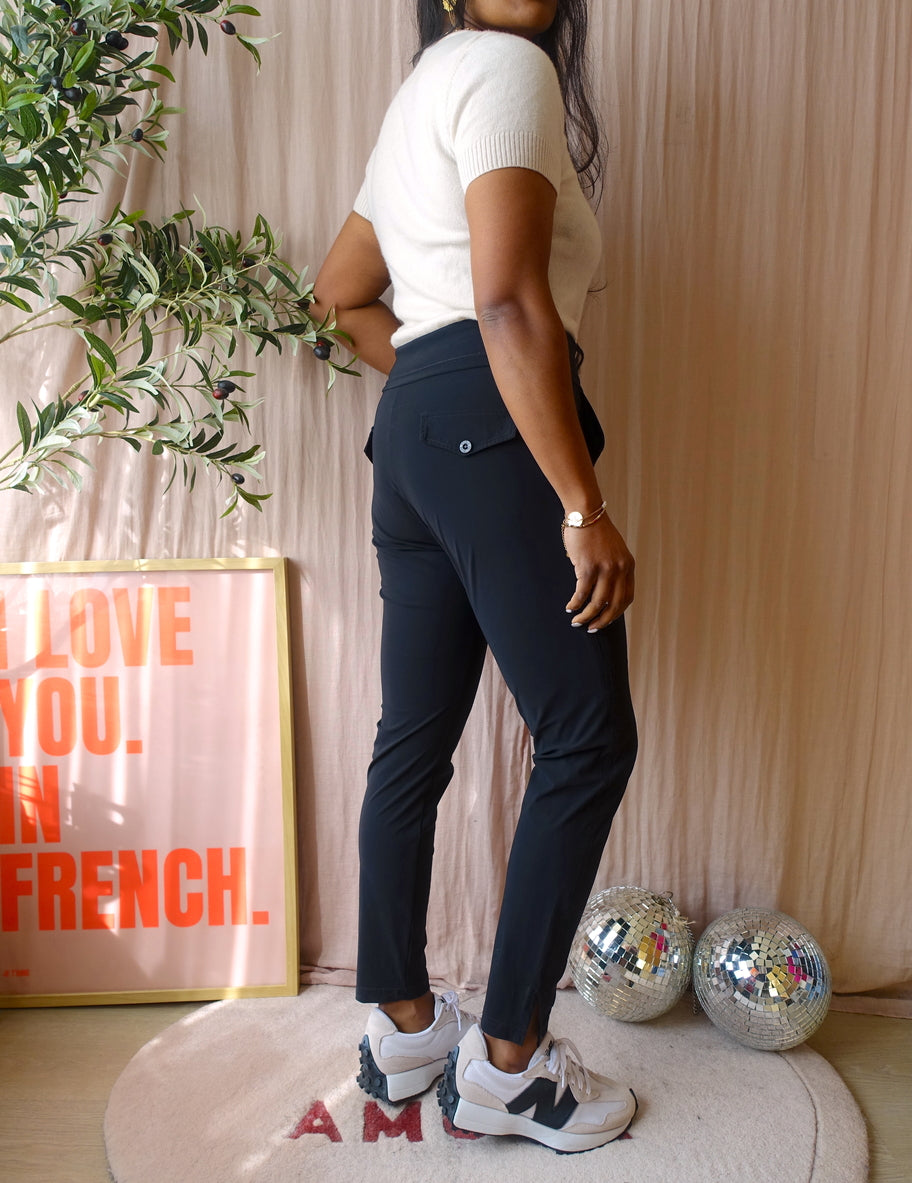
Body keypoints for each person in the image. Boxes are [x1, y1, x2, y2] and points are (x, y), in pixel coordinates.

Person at [313, 0, 639, 1153]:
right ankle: (507, 1066)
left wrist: (434, 386)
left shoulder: (421, 93)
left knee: (412, 737)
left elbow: (337, 295)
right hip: (488, 415)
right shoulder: (508, 66)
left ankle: (405, 1029)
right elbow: (504, 298)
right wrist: (583, 505)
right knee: (587, 735)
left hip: (412, 431)